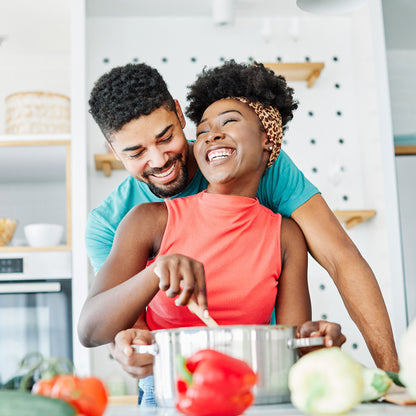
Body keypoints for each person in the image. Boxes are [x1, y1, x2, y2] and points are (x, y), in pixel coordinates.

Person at [85, 62, 398, 371]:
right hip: (178, 381)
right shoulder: (118, 223)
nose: (158, 160)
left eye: (166, 138)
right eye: (135, 152)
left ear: (180, 115)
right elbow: (121, 334)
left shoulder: (254, 166)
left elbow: (340, 258)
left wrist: (393, 375)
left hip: (262, 373)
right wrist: (131, 352)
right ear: (114, 151)